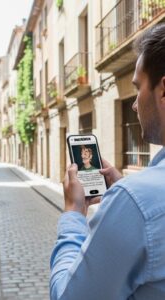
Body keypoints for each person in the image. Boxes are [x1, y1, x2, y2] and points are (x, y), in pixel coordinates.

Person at [50, 23, 165, 300]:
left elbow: (69, 296)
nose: (135, 104)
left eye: (138, 88)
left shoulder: (136, 201)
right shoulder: (137, 198)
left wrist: (74, 213)